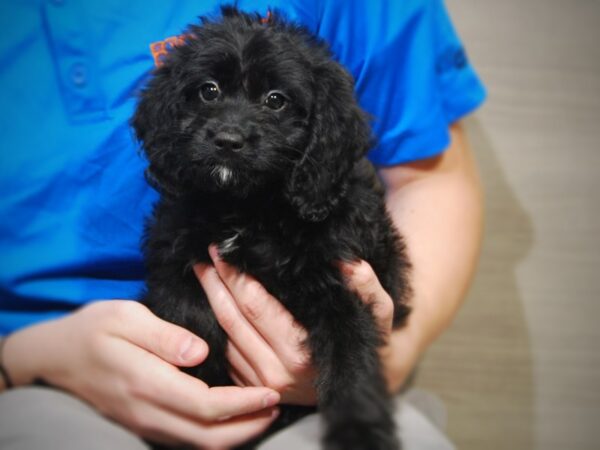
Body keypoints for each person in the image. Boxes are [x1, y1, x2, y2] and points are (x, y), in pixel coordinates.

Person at [0, 0, 485, 449]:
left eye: (275, 101)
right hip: (42, 384)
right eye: (209, 93)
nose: (230, 129)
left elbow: (431, 180)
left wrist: (368, 365)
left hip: (311, 393)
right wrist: (25, 358)